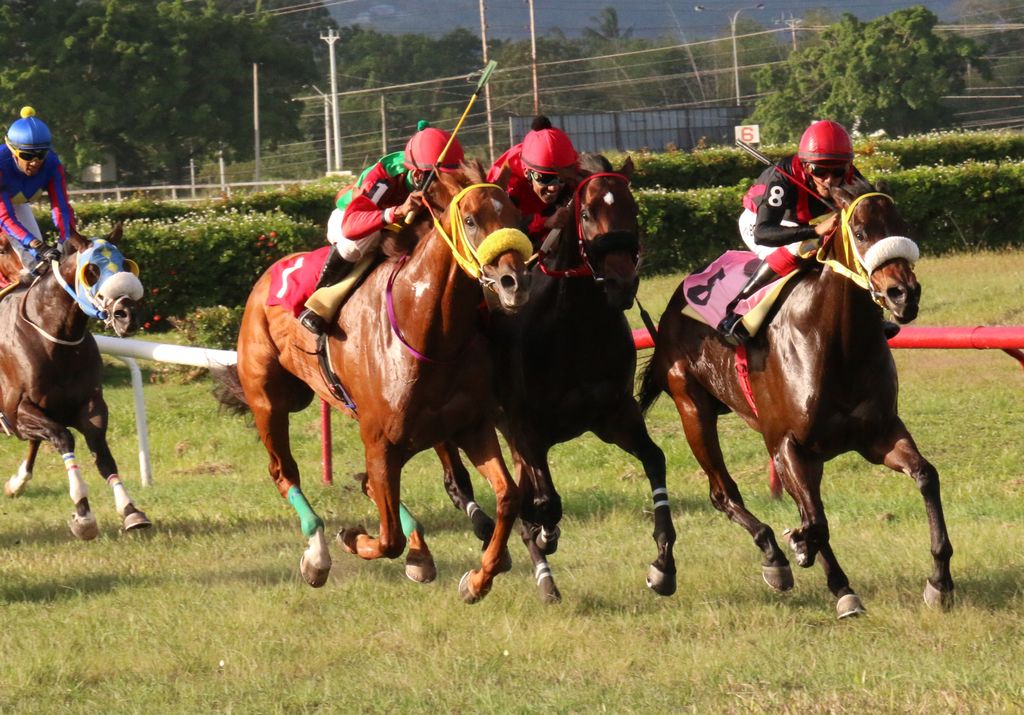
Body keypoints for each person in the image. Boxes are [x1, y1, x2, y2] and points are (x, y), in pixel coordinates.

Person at [298, 120, 465, 336]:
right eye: (440, 180)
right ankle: (318, 305)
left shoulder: (436, 175)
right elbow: (351, 226)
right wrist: (397, 211)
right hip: (353, 219)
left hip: (397, 226)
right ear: (417, 176)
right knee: (362, 241)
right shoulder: (383, 179)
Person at [718, 119, 869, 344]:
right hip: (760, 223)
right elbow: (764, 233)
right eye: (820, 171)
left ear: (847, 166)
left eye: (838, 171)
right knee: (800, 246)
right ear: (806, 166)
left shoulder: (850, 175)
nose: (830, 180)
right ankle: (737, 310)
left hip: (804, 222)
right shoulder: (781, 178)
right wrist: (815, 230)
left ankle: (870, 313)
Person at [0, 106, 80, 277]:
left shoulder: (52, 164)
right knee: (26, 261)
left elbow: (61, 208)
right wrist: (36, 245)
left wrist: (68, 237)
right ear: (13, 152)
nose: (35, 162)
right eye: (27, 156)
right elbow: (5, 217)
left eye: (41, 154)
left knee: (40, 264)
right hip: (3, 211)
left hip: (15, 205)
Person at [487, 116, 579, 246]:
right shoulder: (509, 184)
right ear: (527, 173)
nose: (554, 187)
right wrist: (545, 222)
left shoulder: (572, 173)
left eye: (561, 179)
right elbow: (503, 230)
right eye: (545, 179)